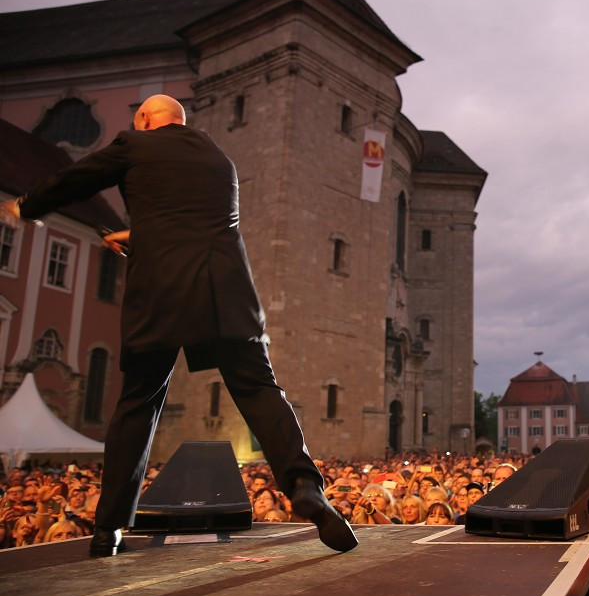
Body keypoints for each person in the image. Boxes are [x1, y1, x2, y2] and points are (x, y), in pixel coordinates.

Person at [1, 95, 356, 557]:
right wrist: (138, 236)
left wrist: (28, 206)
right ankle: (306, 484)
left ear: (146, 120)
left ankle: (109, 528)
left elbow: (78, 177)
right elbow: (200, 224)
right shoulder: (220, 160)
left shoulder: (134, 144)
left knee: (139, 403)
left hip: (162, 293)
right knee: (259, 389)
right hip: (226, 291)